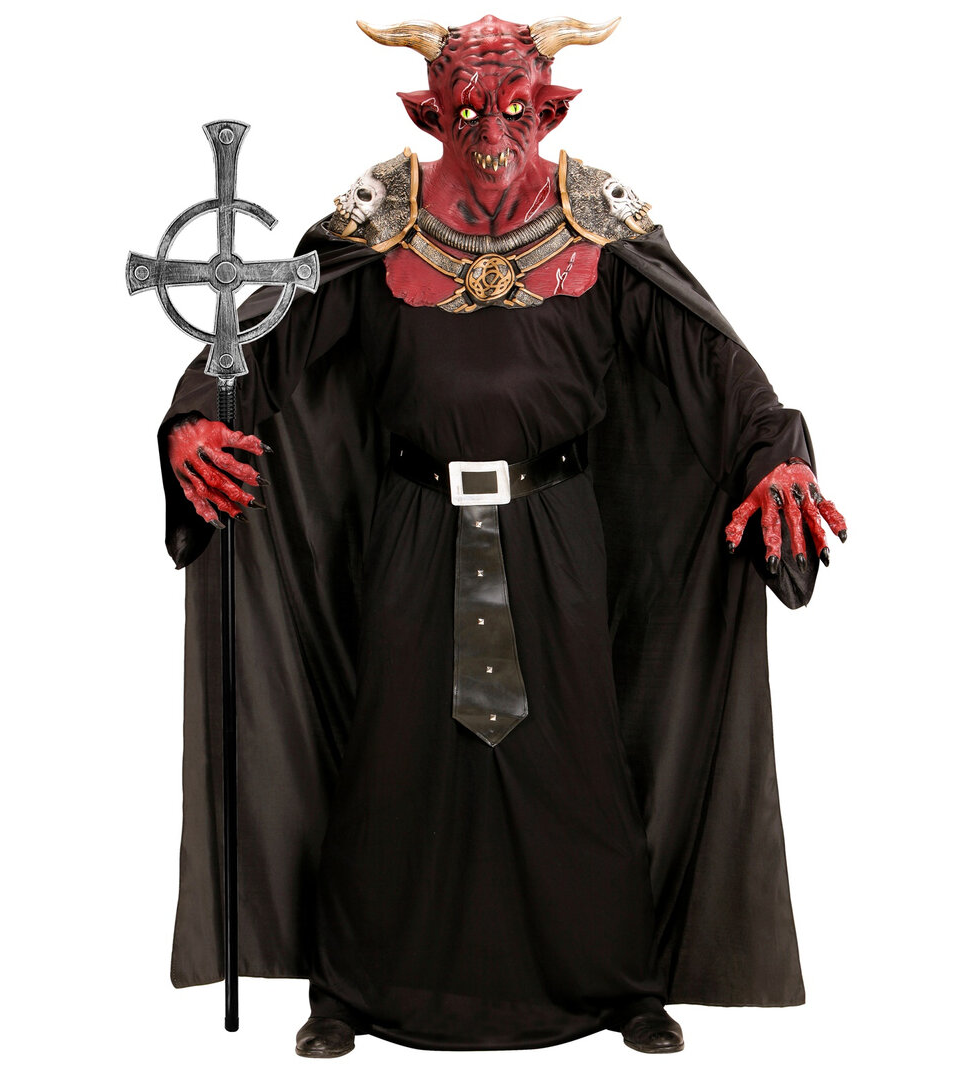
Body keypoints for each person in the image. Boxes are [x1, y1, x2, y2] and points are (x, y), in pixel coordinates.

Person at [159, 14, 847, 1058]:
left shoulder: (601, 226)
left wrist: (773, 453)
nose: (491, 134)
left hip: (555, 531)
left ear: (551, 111)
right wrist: (196, 419)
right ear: (429, 113)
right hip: (408, 528)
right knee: (392, 758)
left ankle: (618, 981)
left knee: (577, 760)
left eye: (516, 109)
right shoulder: (374, 226)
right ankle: (351, 989)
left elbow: (713, 362)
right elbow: (259, 343)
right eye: (469, 110)